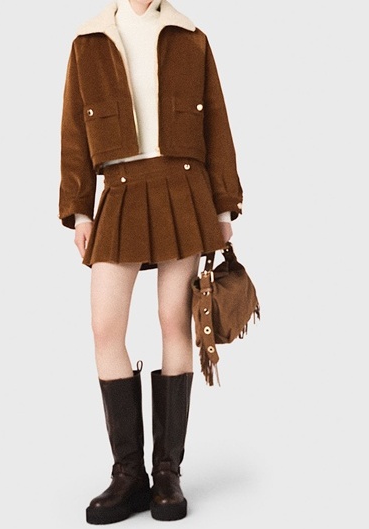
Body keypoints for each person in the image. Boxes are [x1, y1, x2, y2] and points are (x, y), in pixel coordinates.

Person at [58, 0, 244, 523]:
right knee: (105, 327)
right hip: (119, 191)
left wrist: (223, 207)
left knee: (172, 320)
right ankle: (128, 475)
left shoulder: (190, 36)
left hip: (183, 187)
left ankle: (166, 473)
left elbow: (217, 122)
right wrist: (80, 210)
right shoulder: (88, 41)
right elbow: (74, 130)